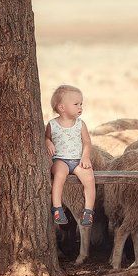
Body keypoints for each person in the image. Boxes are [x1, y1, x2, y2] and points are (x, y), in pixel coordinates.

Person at [45, 84, 96, 226]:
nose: (80, 107)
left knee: (89, 178)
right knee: (59, 176)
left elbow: (87, 142)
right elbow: (46, 137)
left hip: (78, 160)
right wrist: (48, 142)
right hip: (60, 160)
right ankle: (57, 208)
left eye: (81, 104)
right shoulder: (52, 124)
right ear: (62, 108)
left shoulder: (80, 124)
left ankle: (88, 211)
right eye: (76, 104)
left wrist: (85, 157)